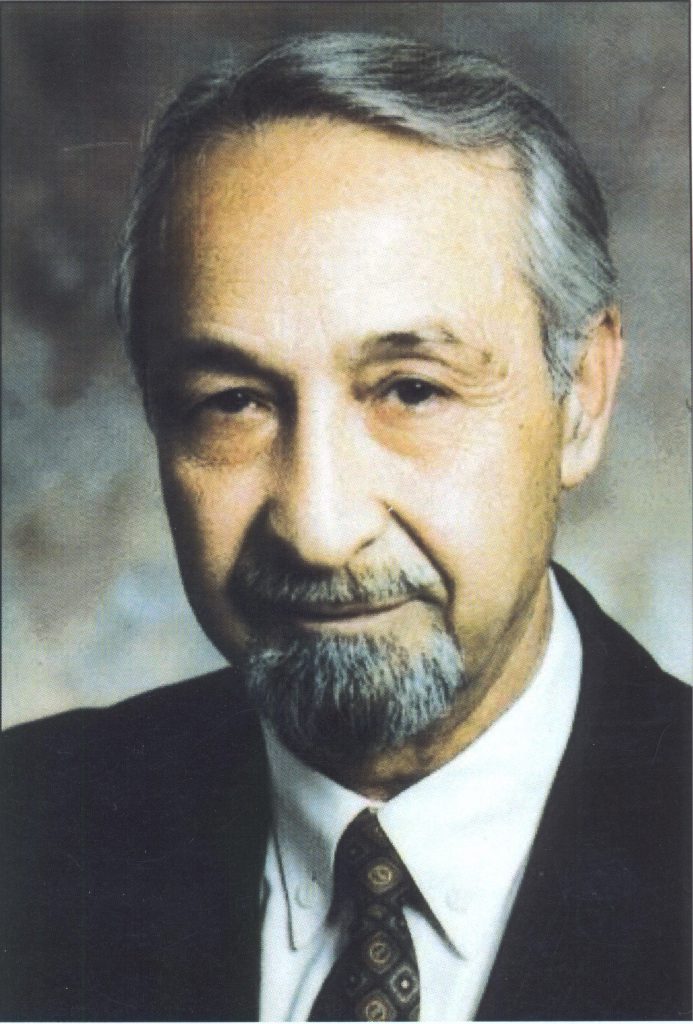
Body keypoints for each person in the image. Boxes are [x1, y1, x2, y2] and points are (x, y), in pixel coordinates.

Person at [2, 32, 690, 1023]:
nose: (318, 529)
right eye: (233, 402)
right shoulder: (26, 830)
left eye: (411, 389)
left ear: (581, 395)